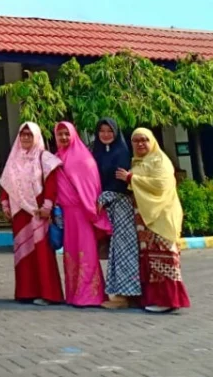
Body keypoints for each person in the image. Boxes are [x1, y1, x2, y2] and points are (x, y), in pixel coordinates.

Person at [119, 129, 190, 313]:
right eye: (136, 141)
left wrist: (131, 177)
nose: (140, 144)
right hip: (145, 218)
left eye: (144, 140)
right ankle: (153, 299)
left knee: (165, 258)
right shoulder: (137, 161)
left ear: (152, 141)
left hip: (161, 215)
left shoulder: (159, 160)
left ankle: (168, 300)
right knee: (150, 259)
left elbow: (161, 185)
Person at [0, 122, 64, 306]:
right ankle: (26, 292)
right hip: (19, 214)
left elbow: (51, 183)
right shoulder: (14, 159)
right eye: (23, 134)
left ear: (36, 136)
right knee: (23, 253)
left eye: (30, 135)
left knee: (42, 254)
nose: (26, 138)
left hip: (38, 213)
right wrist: (5, 205)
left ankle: (48, 294)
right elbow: (6, 184)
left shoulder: (45, 158)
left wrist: (47, 206)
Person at [54, 121, 110, 307]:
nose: (63, 137)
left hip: (82, 212)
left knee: (86, 252)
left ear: (74, 135)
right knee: (71, 253)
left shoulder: (83, 158)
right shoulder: (57, 157)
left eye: (67, 134)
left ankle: (91, 295)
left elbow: (90, 187)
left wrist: (91, 211)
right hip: (67, 214)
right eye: (60, 134)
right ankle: (74, 294)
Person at [92, 118, 141, 310]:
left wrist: (105, 196)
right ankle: (120, 293)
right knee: (114, 250)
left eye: (109, 131)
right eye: (102, 131)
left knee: (124, 249)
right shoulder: (96, 152)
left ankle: (126, 295)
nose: (105, 135)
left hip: (121, 205)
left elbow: (121, 182)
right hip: (107, 207)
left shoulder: (122, 152)